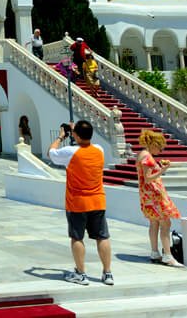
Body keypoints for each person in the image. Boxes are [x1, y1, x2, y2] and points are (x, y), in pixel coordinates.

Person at [48, 120, 114, 286]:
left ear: (76, 135)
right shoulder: (99, 150)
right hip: (98, 200)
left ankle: (81, 273)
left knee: (77, 237)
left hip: (77, 202)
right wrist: (76, 130)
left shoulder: (70, 152)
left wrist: (61, 136)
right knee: (102, 236)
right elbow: (84, 139)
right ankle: (107, 273)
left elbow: (51, 152)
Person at [136, 129, 183, 267]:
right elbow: (148, 178)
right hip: (154, 194)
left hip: (147, 195)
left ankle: (155, 252)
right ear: (153, 144)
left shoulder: (142, 155)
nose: (160, 150)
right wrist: (163, 170)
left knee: (154, 223)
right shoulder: (148, 157)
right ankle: (167, 255)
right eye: (159, 147)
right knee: (165, 223)